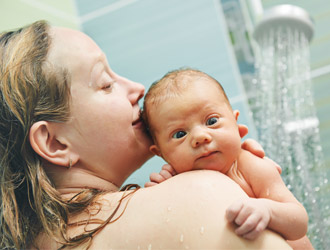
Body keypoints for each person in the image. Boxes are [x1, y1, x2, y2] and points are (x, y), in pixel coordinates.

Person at [0, 20, 293, 249]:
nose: (137, 88)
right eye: (105, 83)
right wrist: (265, 196)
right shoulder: (201, 195)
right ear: (54, 143)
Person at [142, 68, 312, 246]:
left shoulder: (250, 165)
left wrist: (268, 210)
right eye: (179, 134)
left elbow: (300, 222)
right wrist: (161, 198)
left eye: (212, 121)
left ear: (236, 124)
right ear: (161, 154)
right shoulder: (175, 183)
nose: (200, 136)